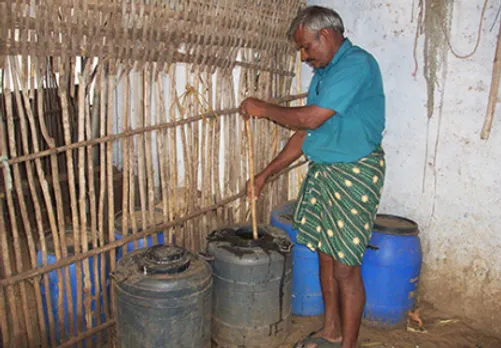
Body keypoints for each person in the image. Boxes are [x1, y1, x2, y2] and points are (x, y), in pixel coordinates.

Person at [238, 5, 386, 348]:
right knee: (324, 253)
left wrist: (262, 108)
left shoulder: (356, 65)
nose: (304, 56)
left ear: (326, 35)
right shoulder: (325, 74)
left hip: (354, 172)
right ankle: (331, 330)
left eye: (306, 47)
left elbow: (310, 119)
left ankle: (348, 344)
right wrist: (265, 175)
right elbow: (306, 136)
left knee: (346, 265)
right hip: (325, 172)